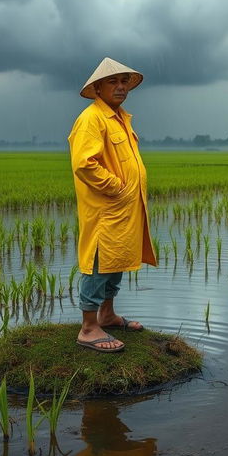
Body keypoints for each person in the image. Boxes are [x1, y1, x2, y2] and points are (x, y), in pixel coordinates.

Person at [68, 57, 156, 353]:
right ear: (97, 88)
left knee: (115, 259)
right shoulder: (91, 119)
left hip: (123, 208)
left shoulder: (120, 118)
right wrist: (116, 187)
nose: (120, 87)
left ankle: (107, 314)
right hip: (107, 208)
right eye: (112, 82)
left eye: (123, 82)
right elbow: (84, 163)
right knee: (98, 262)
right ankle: (89, 327)